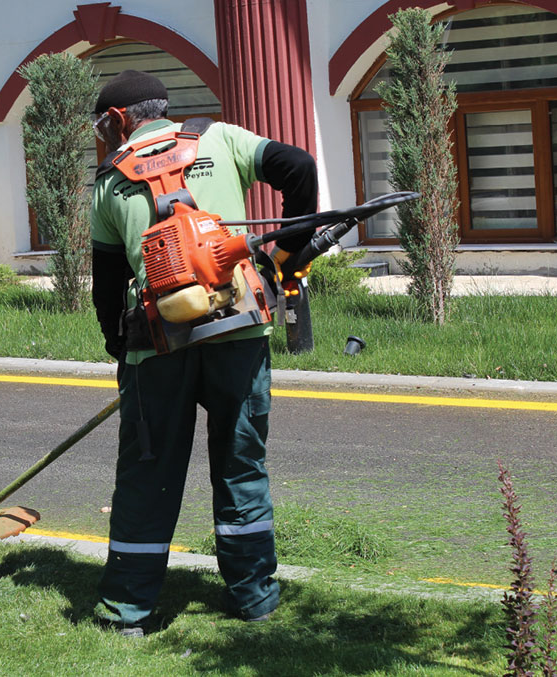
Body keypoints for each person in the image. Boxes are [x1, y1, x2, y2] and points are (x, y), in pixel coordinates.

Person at [89, 69, 318, 635]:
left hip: (156, 347)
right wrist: (287, 255)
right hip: (239, 336)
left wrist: (122, 351)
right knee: (240, 467)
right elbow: (300, 169)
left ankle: (128, 612)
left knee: (148, 475)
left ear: (118, 121)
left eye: (101, 127)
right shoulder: (221, 139)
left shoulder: (108, 183)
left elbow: (107, 285)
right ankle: (255, 597)